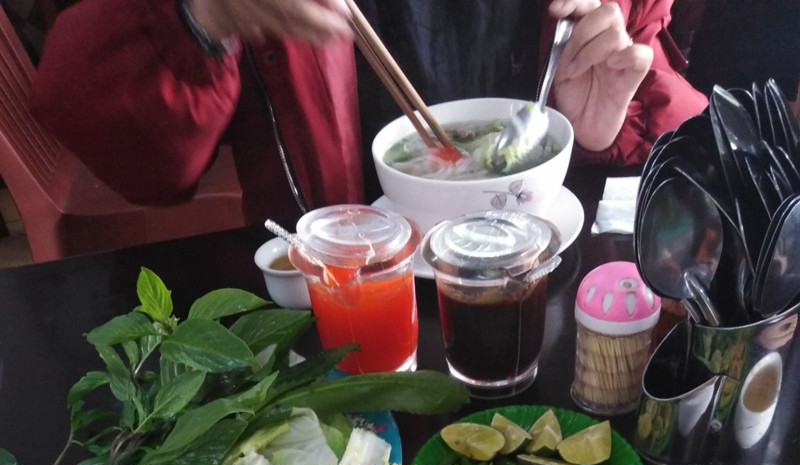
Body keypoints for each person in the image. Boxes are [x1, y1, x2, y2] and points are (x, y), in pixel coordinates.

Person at [29, 0, 707, 226]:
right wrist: (202, 14)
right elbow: (131, 150)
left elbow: (662, 103)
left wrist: (598, 132)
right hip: (341, 296)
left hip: (534, 275)